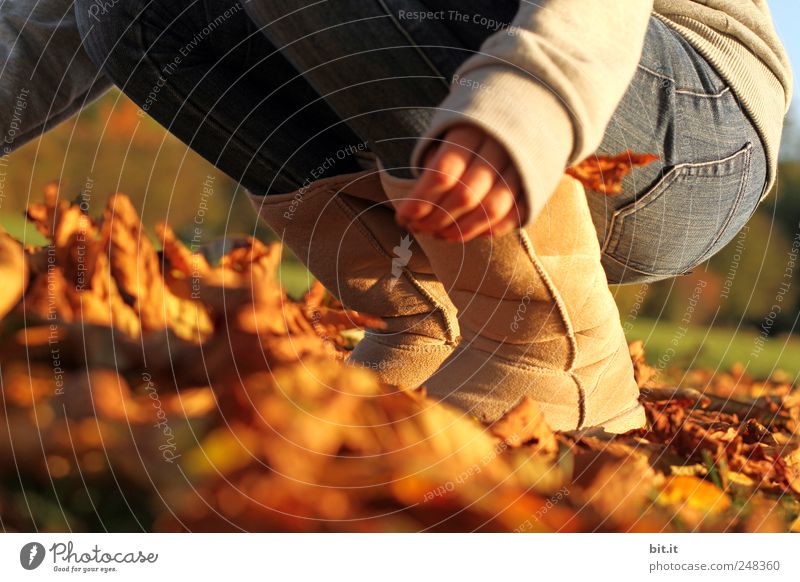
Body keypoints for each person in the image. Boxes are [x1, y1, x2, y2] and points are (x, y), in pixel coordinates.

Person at [3, 1, 792, 432]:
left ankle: (550, 346)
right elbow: (48, 28)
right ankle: (422, 319)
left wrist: (532, 98)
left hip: (677, 117)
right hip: (489, 114)